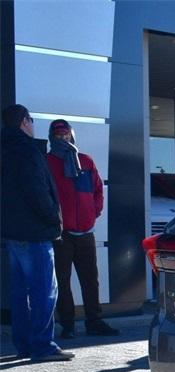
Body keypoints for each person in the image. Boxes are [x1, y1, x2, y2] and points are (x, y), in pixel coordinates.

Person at [1, 104, 74, 362]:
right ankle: (43, 346)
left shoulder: (4, 150)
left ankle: (23, 345)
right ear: (23, 121)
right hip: (35, 232)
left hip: (11, 232)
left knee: (20, 293)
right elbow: (37, 191)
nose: (33, 125)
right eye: (31, 120)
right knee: (44, 290)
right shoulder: (28, 151)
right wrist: (54, 219)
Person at [46, 119, 119, 338]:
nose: (63, 138)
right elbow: (44, 194)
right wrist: (54, 220)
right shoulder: (47, 162)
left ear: (72, 135)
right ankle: (67, 325)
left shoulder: (85, 160)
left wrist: (93, 213)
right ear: (52, 137)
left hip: (85, 231)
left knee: (90, 280)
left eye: (66, 134)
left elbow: (97, 190)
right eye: (58, 135)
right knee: (62, 280)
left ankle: (94, 321)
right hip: (62, 234)